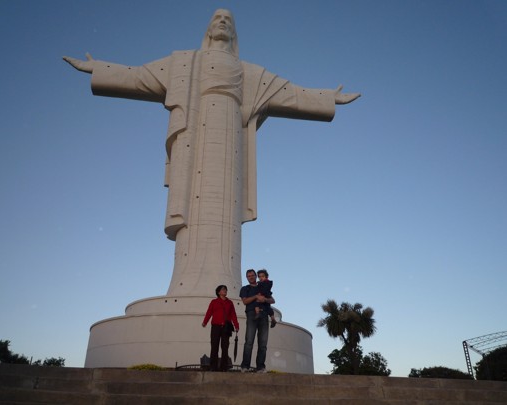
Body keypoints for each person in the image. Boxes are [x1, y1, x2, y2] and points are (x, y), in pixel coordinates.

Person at [63, 9, 360, 299]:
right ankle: (184, 285)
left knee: (225, 209)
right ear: (208, 29)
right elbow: (140, 77)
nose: (222, 23)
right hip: (195, 133)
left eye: (228, 20)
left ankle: (227, 283)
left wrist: (326, 98)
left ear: (233, 33)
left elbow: (291, 94)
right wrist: (100, 68)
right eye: (217, 19)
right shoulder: (184, 63)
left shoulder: (250, 73)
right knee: (192, 212)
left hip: (230, 132)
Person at [240, 269, 275, 373]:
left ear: (256, 276)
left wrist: (265, 299)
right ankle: (245, 366)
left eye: (252, 275)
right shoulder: (245, 288)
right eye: (248, 276)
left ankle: (260, 367)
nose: (250, 277)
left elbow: (273, 300)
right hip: (252, 314)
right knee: (249, 341)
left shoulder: (262, 285)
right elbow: (245, 301)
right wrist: (255, 296)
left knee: (263, 344)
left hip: (264, 314)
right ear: (247, 277)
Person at [202, 285, 239, 371]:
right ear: (218, 292)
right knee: (214, 346)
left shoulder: (230, 303)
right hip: (215, 326)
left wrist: (236, 325)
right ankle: (213, 367)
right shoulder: (214, 302)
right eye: (223, 289)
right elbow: (209, 312)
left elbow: (233, 315)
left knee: (225, 347)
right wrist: (205, 322)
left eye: (226, 289)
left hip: (226, 327)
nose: (225, 291)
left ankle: (224, 367)